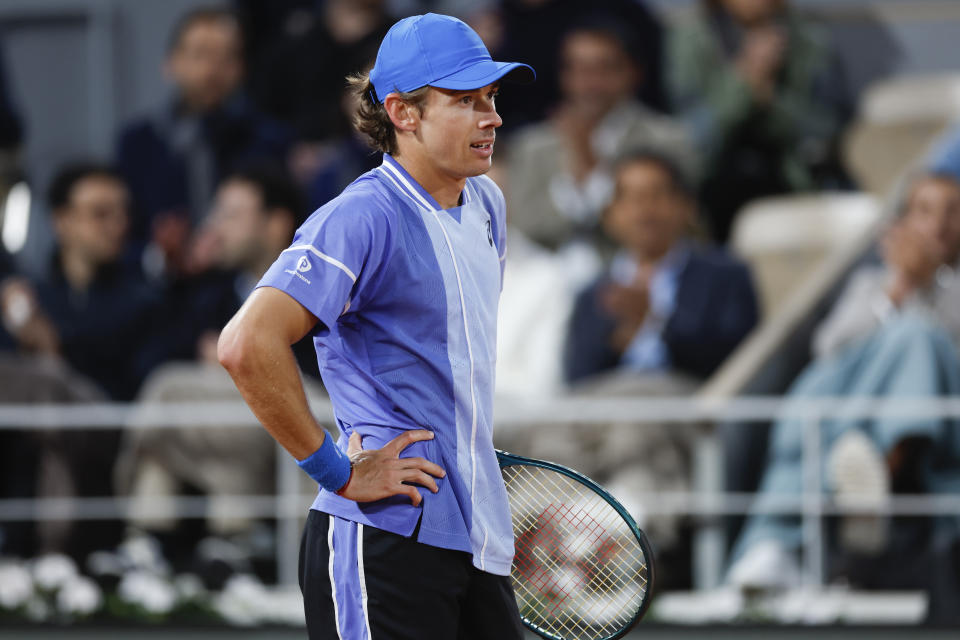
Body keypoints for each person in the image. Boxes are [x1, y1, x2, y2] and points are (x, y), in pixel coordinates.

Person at [218, 13, 534, 639]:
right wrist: (339, 471)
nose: (491, 117)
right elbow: (245, 344)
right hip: (384, 537)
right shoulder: (359, 217)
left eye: (492, 98)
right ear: (402, 112)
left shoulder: (488, 203)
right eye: (466, 101)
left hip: (478, 538)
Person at [727, 171, 960, 593]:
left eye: (954, 212)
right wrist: (901, 287)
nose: (940, 224)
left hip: (937, 426)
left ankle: (860, 485)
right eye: (925, 211)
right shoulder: (869, 284)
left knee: (917, 336)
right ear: (902, 224)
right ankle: (862, 477)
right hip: (853, 416)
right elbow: (832, 352)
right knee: (824, 379)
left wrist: (926, 291)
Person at [116, 6, 290, 278]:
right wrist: (159, 256)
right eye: (200, 55)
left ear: (241, 68)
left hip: (246, 287)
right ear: (170, 63)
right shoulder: (137, 144)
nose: (212, 69)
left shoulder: (269, 140)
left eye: (226, 58)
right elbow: (124, 235)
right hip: (159, 293)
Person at [564, 150, 758, 385]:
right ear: (609, 215)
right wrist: (619, 335)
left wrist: (655, 323)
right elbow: (579, 380)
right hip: (609, 410)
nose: (645, 211)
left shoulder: (726, 277)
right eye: (631, 199)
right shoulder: (593, 294)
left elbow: (738, 364)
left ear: (686, 206)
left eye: (657, 195)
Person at [668, 0, 849, 244]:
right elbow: (692, 138)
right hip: (714, 184)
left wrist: (771, 101)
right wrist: (744, 84)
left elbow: (828, 129)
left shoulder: (810, 38)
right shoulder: (690, 40)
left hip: (794, 180)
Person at [507, 21, 694, 252]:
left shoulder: (667, 140)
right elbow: (527, 228)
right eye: (580, 70)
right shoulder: (532, 146)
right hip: (549, 278)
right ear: (564, 76)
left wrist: (592, 172)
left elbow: (680, 225)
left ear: (633, 72)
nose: (591, 83)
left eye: (605, 69)